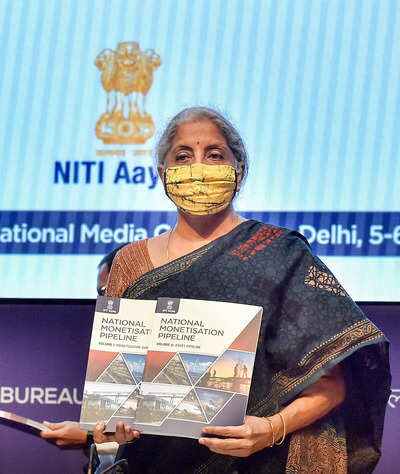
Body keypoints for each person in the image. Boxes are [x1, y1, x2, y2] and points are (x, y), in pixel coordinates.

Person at [93, 106, 390, 473]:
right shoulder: (130, 262)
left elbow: (332, 383)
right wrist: (110, 427)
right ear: (162, 173)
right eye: (183, 156)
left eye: (214, 155)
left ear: (239, 169)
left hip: (256, 463)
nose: (198, 167)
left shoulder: (279, 253)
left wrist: (270, 429)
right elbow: (116, 397)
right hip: (155, 463)